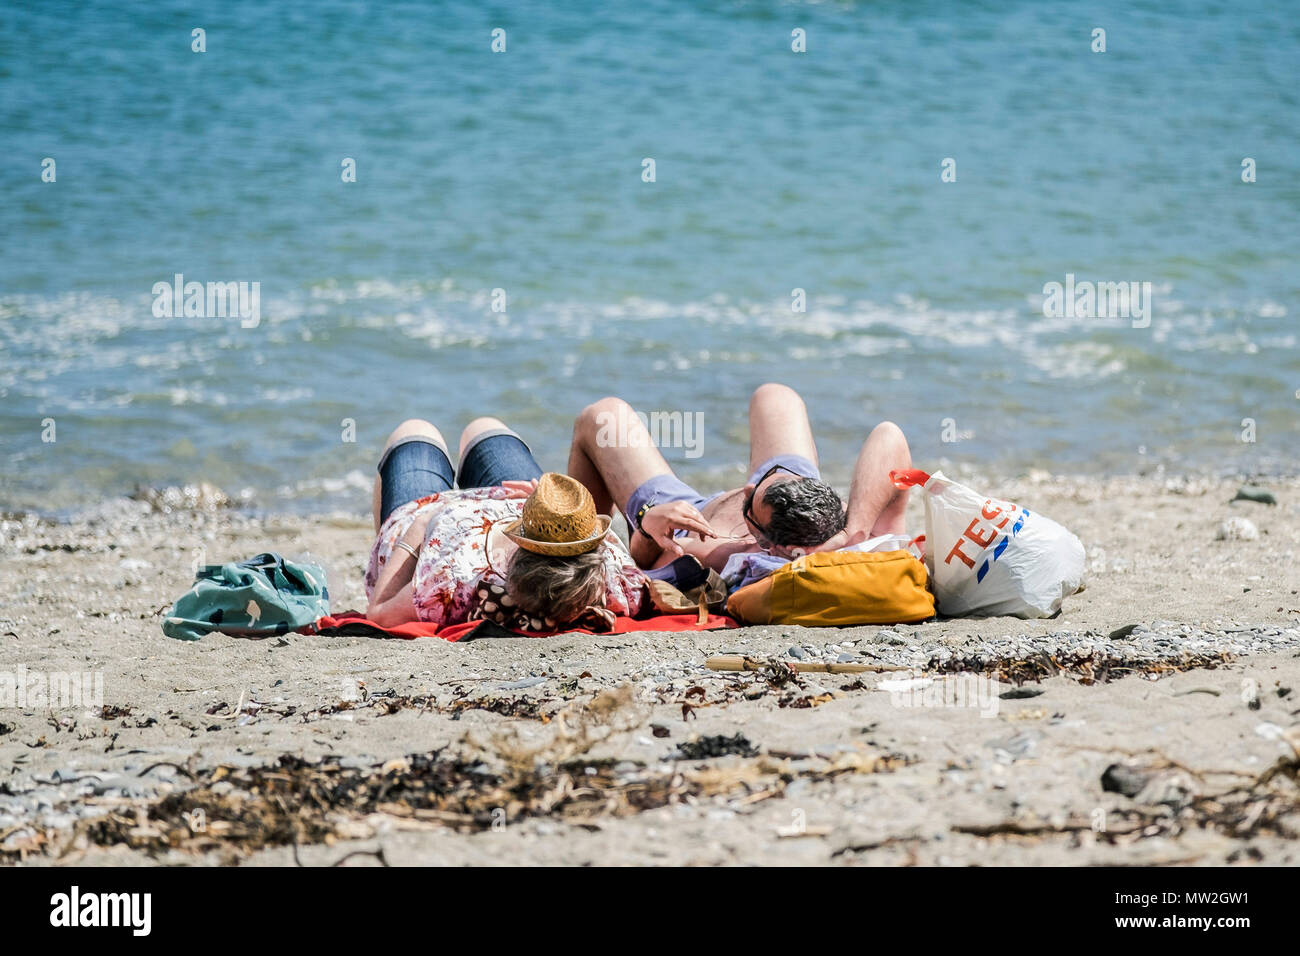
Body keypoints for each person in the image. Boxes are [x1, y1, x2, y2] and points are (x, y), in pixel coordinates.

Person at [567, 383, 913, 573]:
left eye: (750, 506)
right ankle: (775, 493)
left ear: (769, 546)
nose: (748, 486)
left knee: (601, 419)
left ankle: (574, 553)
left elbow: (643, 561)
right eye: (767, 479)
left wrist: (646, 524)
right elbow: (889, 436)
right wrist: (854, 533)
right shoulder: (858, 534)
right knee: (775, 395)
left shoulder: (720, 551)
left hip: (687, 515)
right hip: (798, 508)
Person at [365, 417, 644, 631]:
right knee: (484, 427)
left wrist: (424, 521)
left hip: (431, 514)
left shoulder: (449, 579)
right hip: (517, 501)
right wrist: (546, 503)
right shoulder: (611, 583)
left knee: (415, 430)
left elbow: (379, 613)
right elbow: (636, 580)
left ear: (520, 544)